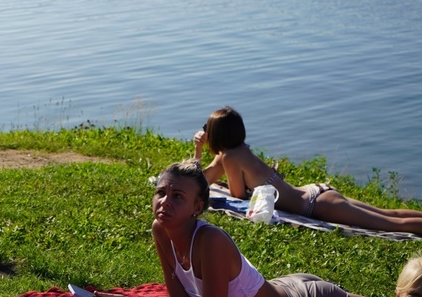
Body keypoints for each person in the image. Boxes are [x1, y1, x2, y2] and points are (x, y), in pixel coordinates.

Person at [152, 159, 364, 297]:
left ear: (197, 207)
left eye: (177, 196)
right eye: (160, 193)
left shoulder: (209, 240)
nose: (165, 202)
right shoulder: (160, 230)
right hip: (281, 285)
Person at [195, 106, 422, 234]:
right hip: (318, 193)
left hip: (315, 206)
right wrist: (198, 150)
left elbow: (237, 197)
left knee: (391, 225)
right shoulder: (241, 150)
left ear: (217, 134)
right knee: (389, 215)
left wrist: (206, 154)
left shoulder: (230, 156)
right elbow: (201, 180)